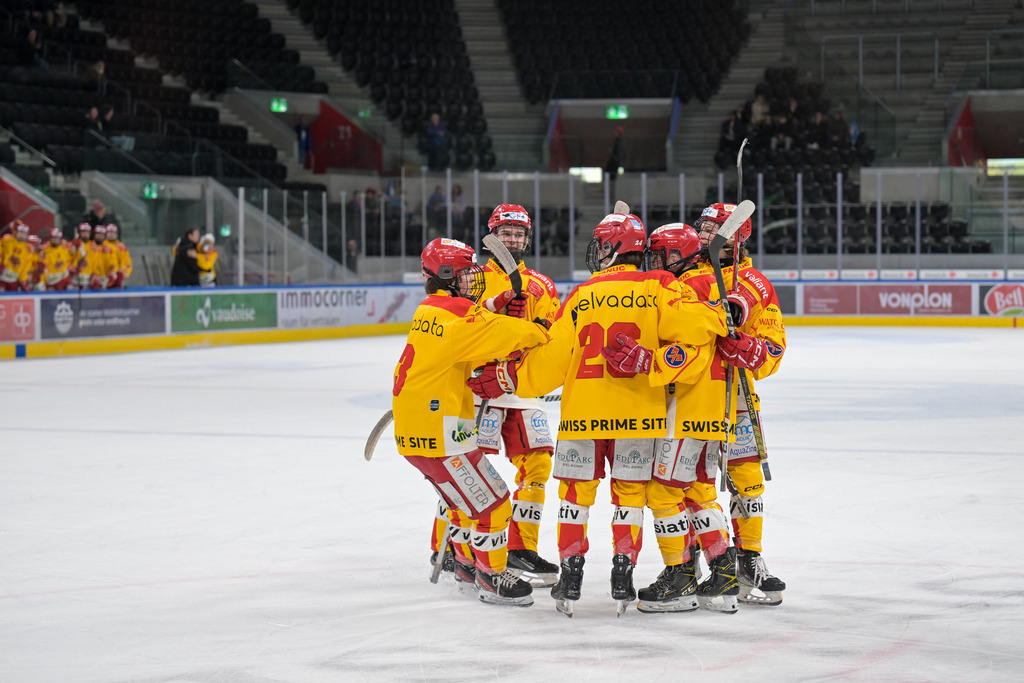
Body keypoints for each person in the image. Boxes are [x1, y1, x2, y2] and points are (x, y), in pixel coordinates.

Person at [468, 209, 728, 616]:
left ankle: (571, 578)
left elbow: (549, 363)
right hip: (639, 416)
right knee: (630, 498)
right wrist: (720, 314)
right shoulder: (661, 286)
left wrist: (505, 376)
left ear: (611, 248)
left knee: (575, 497)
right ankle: (623, 576)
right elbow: (700, 330)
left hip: (582, 415)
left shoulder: (582, 293)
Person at [393, 237, 552, 607]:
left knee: (466, 505)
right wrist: (541, 327)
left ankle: (466, 565)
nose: (472, 279)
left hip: (420, 432)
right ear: (447, 275)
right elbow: (510, 334)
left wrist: (498, 302)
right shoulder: (461, 319)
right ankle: (491, 576)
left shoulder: (432, 310)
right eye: (464, 273)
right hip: (443, 436)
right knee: (495, 504)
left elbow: (478, 319)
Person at [433, 205, 562, 587]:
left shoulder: (542, 284)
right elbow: (459, 326)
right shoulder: (472, 278)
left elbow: (550, 333)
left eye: (519, 234)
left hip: (520, 389)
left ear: (528, 238)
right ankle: (452, 546)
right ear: (492, 236)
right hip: (477, 388)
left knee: (537, 467)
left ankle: (521, 548)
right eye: (506, 232)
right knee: (465, 470)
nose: (513, 239)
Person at [638, 221, 741, 613]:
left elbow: (686, 343)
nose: (653, 263)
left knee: (662, 492)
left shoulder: (685, 287)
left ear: (678, 256)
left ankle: (679, 577)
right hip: (711, 406)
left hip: (686, 405)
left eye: (659, 255)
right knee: (698, 490)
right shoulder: (712, 283)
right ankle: (724, 572)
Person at [691, 202, 788, 606]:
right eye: (703, 227)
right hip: (689, 397)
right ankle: (692, 561)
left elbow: (773, 347)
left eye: (715, 229)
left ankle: (748, 559)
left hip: (737, 400)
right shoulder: (679, 273)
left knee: (746, 478)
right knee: (690, 482)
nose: (705, 235)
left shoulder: (755, 282)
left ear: (738, 235)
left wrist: (751, 349)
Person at [0, 221, 34, 291]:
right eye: (20, 232)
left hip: (15, 278)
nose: (22, 235)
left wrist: (23, 279)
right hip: (1, 274)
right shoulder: (7, 240)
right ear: (16, 232)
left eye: (24, 233)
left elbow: (27, 265)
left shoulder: (28, 248)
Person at [104, 223, 132, 288]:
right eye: (109, 232)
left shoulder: (121, 247)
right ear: (106, 233)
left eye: (113, 232)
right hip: (104, 274)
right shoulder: (102, 246)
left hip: (117, 275)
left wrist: (123, 272)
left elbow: (126, 262)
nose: (111, 234)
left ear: (116, 234)